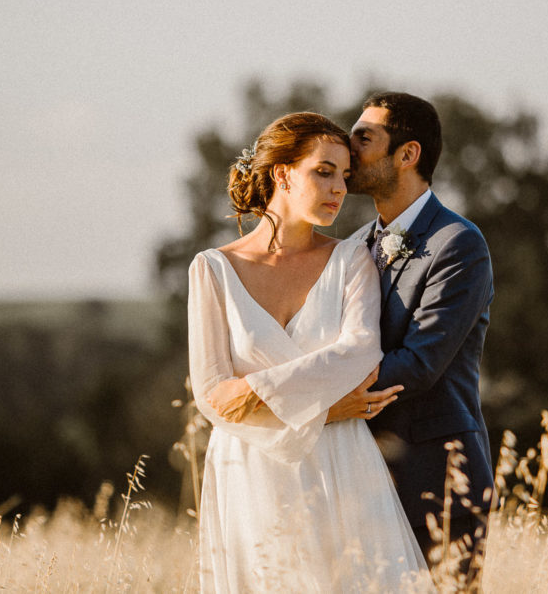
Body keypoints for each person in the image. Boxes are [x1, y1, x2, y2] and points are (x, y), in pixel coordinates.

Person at [187, 112, 433, 592]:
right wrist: (325, 410)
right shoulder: (212, 270)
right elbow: (212, 394)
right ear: (282, 173)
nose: (339, 188)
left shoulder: (351, 259)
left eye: (344, 176)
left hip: (340, 461)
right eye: (323, 171)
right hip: (250, 467)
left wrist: (256, 388)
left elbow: (360, 352)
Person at [328, 92, 495, 581]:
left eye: (364, 137)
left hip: (438, 480)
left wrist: (314, 394)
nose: (347, 147)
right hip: (361, 479)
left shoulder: (459, 244)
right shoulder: (354, 245)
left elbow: (420, 364)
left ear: (407, 154)